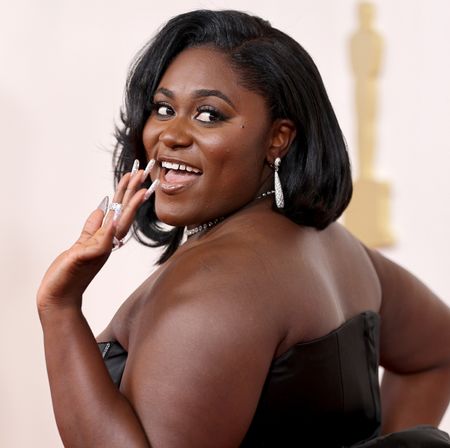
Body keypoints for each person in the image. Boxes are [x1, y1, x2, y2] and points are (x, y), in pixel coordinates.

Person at [37, 9, 450, 447]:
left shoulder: (213, 291)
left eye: (209, 115)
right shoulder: (331, 243)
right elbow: (437, 351)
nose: (170, 135)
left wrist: (59, 307)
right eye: (164, 108)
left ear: (278, 138)